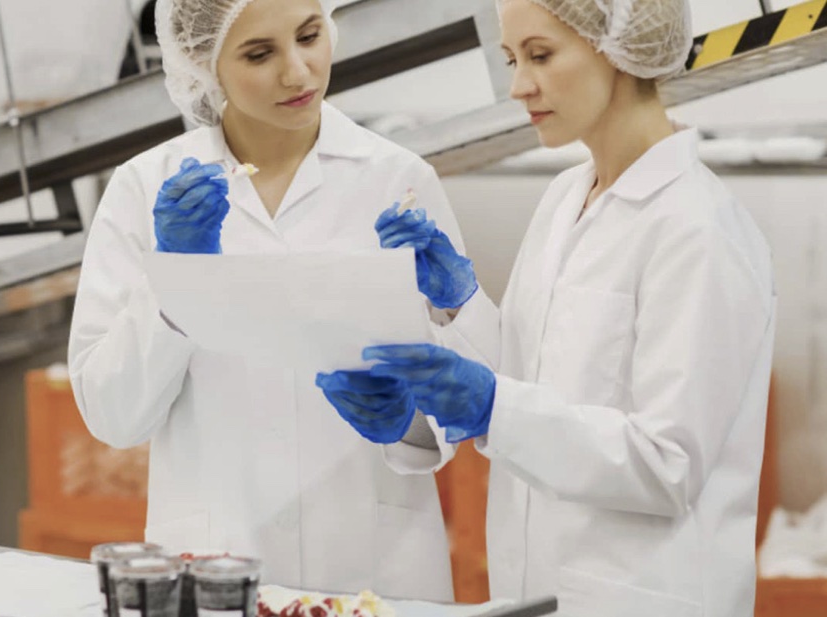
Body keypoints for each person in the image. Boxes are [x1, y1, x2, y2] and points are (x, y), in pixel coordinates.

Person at [317, 1, 776, 615]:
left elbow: (668, 464)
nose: (518, 86)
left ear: (620, 50)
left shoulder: (698, 230)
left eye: (541, 55)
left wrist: (490, 406)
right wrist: (459, 306)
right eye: (513, 59)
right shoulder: (565, 196)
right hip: (534, 589)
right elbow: (534, 380)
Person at [68, 0, 499, 601]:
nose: (298, 72)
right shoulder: (146, 188)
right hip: (218, 561)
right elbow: (113, 415)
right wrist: (173, 283)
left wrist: (408, 423)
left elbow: (478, 397)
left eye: (309, 35)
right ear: (203, 63)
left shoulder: (396, 178)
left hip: (375, 563)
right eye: (259, 54)